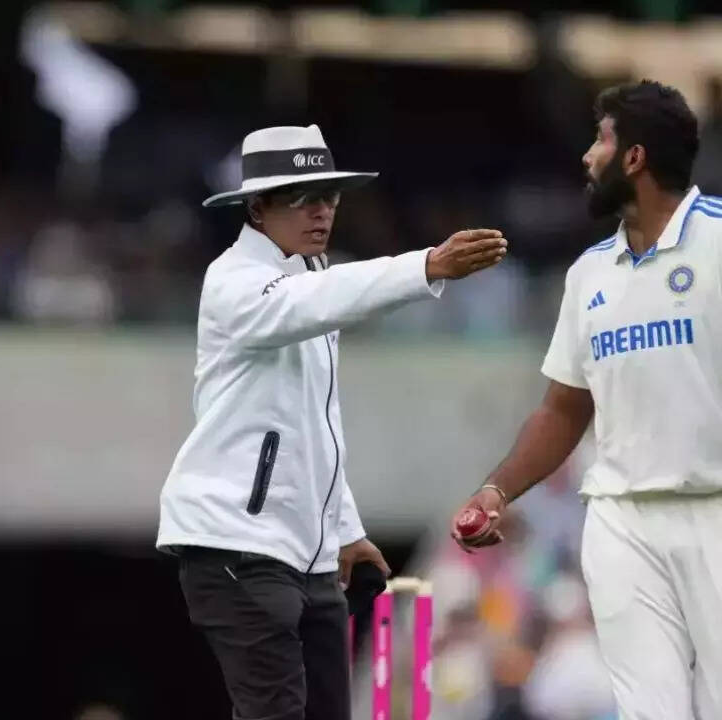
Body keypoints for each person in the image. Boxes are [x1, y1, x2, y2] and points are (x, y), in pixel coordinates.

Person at [450, 80, 722, 719]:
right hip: (622, 522)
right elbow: (562, 410)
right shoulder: (588, 273)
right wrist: (496, 491)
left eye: (601, 140)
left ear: (634, 157)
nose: (587, 156)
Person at [158, 124, 508, 720]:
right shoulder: (231, 280)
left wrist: (344, 528)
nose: (321, 211)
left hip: (308, 554)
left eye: (330, 197)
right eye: (303, 198)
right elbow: (313, 301)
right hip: (235, 545)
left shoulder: (311, 277)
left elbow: (313, 427)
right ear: (257, 208)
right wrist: (425, 265)